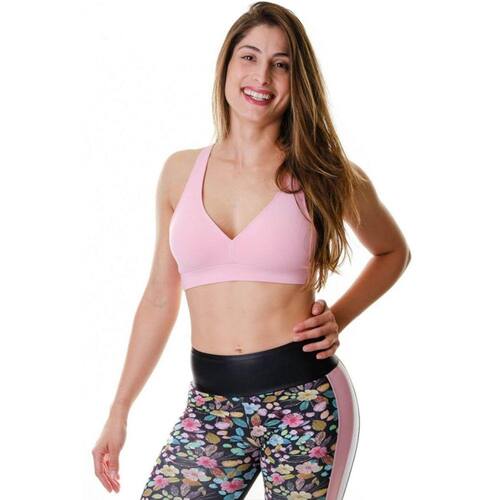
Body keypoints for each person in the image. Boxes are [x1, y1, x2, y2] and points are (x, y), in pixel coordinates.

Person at [91, 2, 411, 499]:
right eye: (249, 56)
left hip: (306, 401)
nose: (261, 76)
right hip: (211, 409)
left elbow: (392, 252)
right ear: (226, 64)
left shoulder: (322, 173)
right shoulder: (179, 173)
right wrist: (119, 410)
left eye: (281, 64)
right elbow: (158, 297)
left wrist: (339, 317)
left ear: (297, 80)